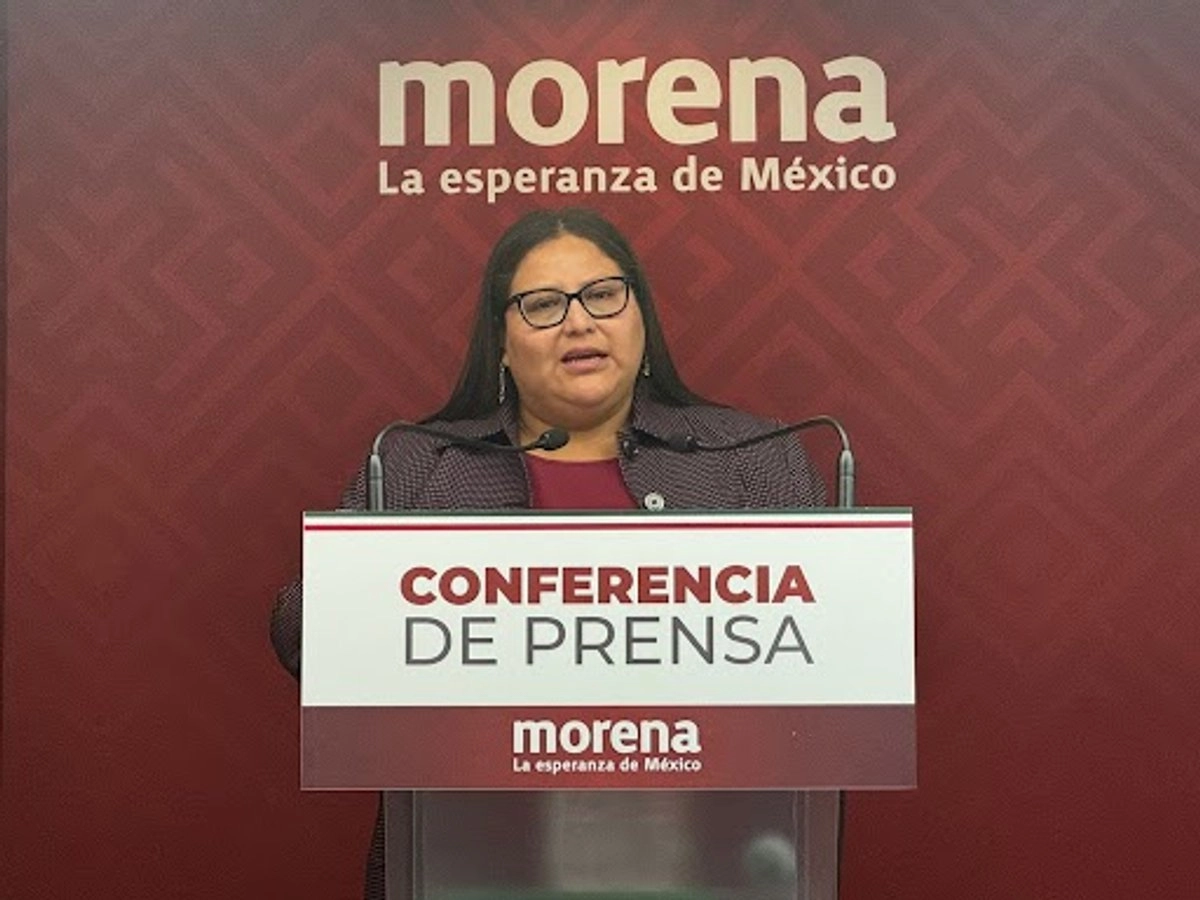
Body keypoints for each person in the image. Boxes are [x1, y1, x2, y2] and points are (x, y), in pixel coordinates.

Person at [270, 207, 826, 899]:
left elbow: (835, 653)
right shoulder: (419, 464)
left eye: (603, 294)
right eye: (542, 305)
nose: (579, 322)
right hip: (470, 861)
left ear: (641, 319)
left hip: (710, 859)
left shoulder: (753, 457)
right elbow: (301, 634)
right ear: (501, 344)